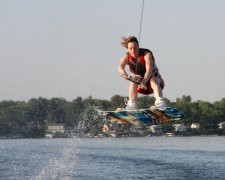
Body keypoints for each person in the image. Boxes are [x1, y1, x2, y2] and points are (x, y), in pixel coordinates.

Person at [118, 36, 166, 110]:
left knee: (153, 79)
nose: (133, 50)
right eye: (130, 48)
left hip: (155, 84)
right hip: (141, 86)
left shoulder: (147, 54)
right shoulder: (126, 57)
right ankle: (132, 105)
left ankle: (160, 103)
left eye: (135, 47)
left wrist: (144, 81)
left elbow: (149, 70)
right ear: (127, 49)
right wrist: (123, 73)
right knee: (133, 81)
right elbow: (120, 67)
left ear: (138, 46)